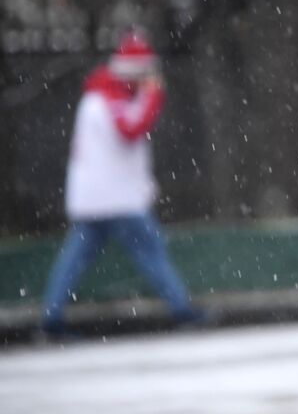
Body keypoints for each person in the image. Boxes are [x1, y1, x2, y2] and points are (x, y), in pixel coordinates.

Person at [38, 29, 205, 338]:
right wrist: (152, 95)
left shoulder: (100, 97)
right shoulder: (109, 99)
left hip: (96, 198)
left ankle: (52, 316)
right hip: (116, 199)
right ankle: (181, 309)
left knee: (75, 259)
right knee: (150, 252)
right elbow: (130, 129)